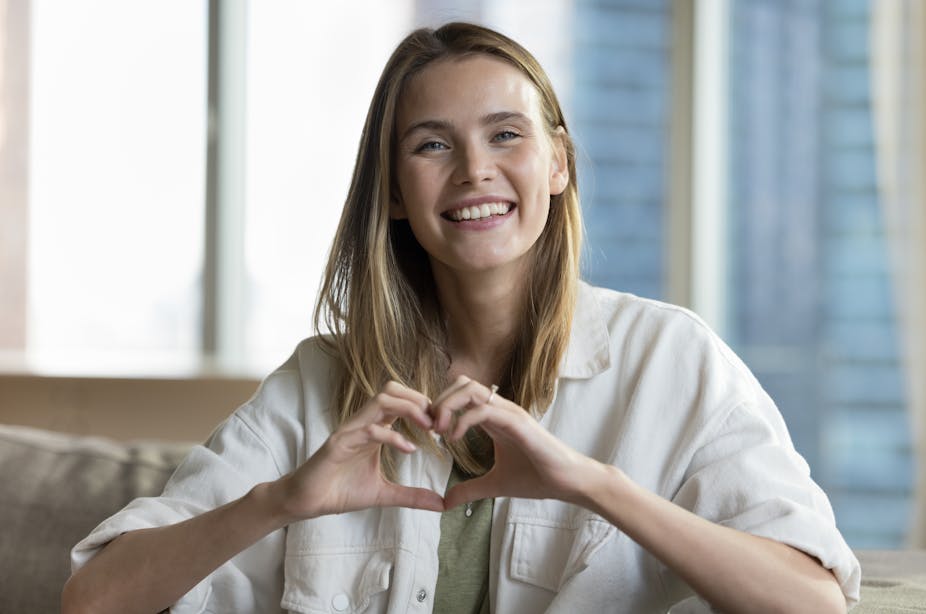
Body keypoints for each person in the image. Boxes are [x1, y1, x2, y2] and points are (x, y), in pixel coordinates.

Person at [63, 22, 860, 614]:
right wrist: (280, 501)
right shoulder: (320, 384)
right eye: (432, 146)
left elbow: (814, 604)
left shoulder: (672, 360)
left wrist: (592, 485)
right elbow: (91, 601)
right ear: (397, 195)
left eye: (505, 134)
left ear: (558, 164)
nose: (475, 169)